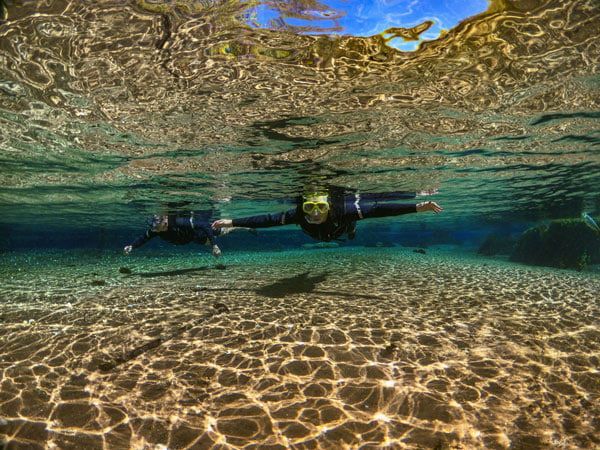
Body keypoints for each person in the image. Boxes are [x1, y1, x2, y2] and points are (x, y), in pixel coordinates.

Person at [211, 189, 442, 242]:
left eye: (320, 207)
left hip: (340, 228)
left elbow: (380, 209)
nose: (314, 212)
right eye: (309, 206)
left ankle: (352, 229)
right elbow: (267, 220)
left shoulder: (343, 209)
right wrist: (232, 221)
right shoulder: (299, 214)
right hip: (317, 236)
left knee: (351, 222)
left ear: (329, 206)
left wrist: (417, 207)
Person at [124, 212, 256, 257]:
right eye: (156, 228)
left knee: (223, 232)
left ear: (164, 222)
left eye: (159, 226)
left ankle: (240, 225)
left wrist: (215, 245)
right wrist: (132, 246)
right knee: (212, 242)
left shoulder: (178, 222)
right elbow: (144, 238)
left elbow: (203, 225)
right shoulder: (156, 230)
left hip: (199, 232)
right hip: (194, 239)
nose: (156, 230)